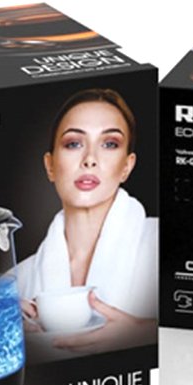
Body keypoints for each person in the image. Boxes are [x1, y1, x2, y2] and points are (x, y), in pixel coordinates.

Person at [16, 88, 157, 352]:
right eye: (73, 144)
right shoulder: (15, 284)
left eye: (109, 144)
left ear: (127, 166)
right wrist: (2, 333)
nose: (90, 159)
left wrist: (145, 333)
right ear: (50, 166)